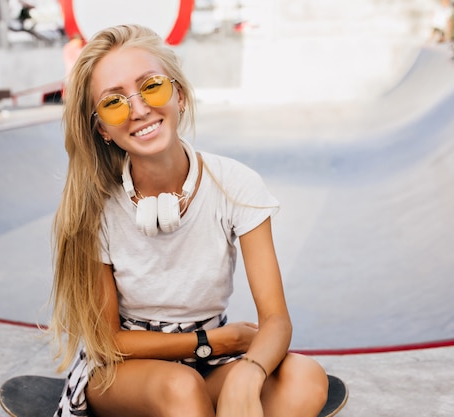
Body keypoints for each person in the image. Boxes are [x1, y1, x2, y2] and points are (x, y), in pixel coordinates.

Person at [49, 24, 329, 417]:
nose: (140, 108)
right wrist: (213, 341)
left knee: (305, 376)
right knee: (180, 388)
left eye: (152, 87)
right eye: (114, 102)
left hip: (205, 364)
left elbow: (276, 321)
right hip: (121, 371)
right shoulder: (96, 208)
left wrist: (248, 375)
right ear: (102, 129)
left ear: (179, 94)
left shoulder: (235, 184)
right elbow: (108, 341)